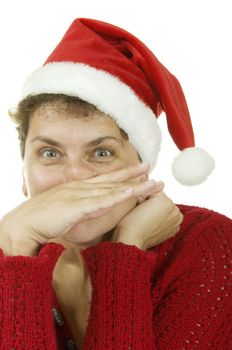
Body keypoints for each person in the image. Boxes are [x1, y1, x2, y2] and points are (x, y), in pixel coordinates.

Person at [0, 18, 231, 350]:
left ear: (142, 170)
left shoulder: (209, 247)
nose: (75, 176)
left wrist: (126, 251)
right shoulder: (8, 252)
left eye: (102, 152)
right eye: (50, 153)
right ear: (24, 172)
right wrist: (18, 246)